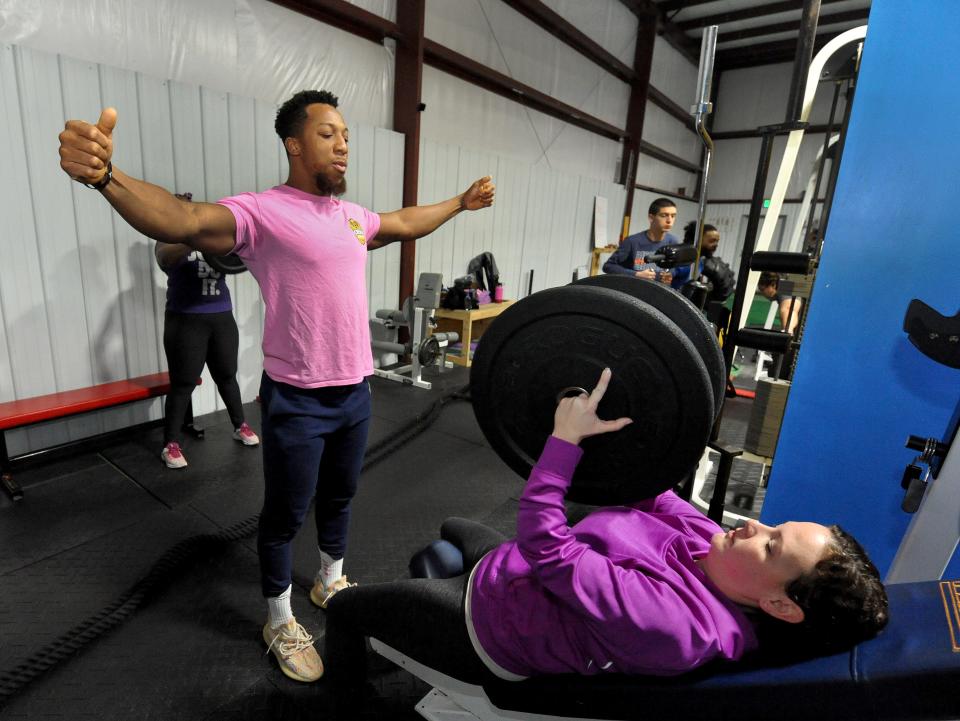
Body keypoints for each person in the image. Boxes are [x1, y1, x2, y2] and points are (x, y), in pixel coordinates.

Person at [58, 89, 495, 683]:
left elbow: (401, 222)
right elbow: (182, 219)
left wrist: (460, 204)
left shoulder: (350, 215)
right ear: (294, 144)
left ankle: (329, 579)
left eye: (346, 134)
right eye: (327, 133)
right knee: (284, 516)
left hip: (355, 393)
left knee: (340, 498)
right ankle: (278, 615)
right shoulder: (261, 212)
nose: (342, 143)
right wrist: (107, 177)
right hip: (298, 401)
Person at [324, 368, 888, 683]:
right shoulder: (715, 547)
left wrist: (563, 441)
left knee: (348, 610)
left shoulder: (676, 626)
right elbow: (654, 491)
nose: (753, 527)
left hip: (490, 627)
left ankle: (345, 692)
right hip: (523, 574)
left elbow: (549, 546)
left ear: (782, 606)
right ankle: (435, 583)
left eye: (771, 548)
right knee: (454, 526)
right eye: (773, 525)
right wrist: (633, 421)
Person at [154, 192, 259, 469]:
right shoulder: (167, 237)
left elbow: (239, 253)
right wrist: (191, 235)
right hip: (186, 320)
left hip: (221, 317)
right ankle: (171, 444)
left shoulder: (213, 237)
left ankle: (240, 426)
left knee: (226, 376)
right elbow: (165, 259)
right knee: (183, 383)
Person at [603, 198, 679, 286]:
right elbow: (608, 266)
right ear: (651, 218)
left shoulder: (673, 242)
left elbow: (675, 268)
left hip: (659, 293)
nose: (669, 220)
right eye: (664, 215)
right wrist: (636, 275)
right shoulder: (632, 241)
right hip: (634, 293)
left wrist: (670, 275)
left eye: (673, 216)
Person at [671, 220, 736, 303]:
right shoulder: (682, 262)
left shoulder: (700, 261)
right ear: (697, 240)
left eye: (717, 241)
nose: (716, 245)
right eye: (711, 241)